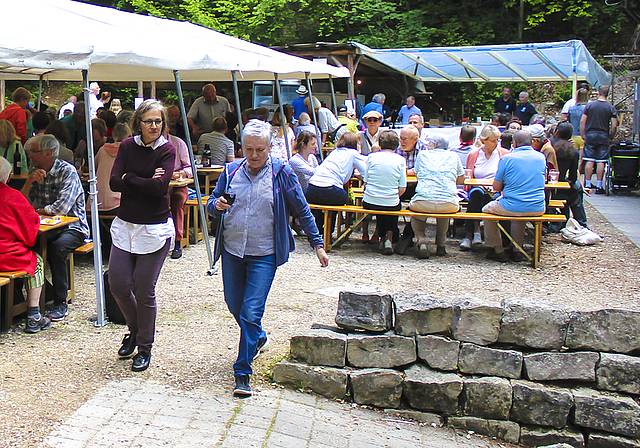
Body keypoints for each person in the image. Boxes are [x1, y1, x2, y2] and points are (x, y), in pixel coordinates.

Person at [207, 119, 328, 396]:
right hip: (233, 250)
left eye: (260, 149)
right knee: (234, 304)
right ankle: (259, 337)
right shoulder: (231, 170)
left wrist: (317, 244)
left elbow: (301, 208)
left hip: (264, 253)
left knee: (251, 311)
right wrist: (217, 204)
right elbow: (211, 204)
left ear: (270, 147)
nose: (254, 155)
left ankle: (242, 371)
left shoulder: (281, 172)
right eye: (248, 149)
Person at [108, 99, 176, 372]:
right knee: (118, 284)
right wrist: (144, 179)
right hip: (126, 225)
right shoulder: (126, 146)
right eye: (149, 121)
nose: (154, 126)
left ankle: (144, 346)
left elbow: (160, 188)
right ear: (138, 122)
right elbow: (114, 181)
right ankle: (135, 331)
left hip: (154, 228)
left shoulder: (167, 149)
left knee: (143, 289)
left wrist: (131, 178)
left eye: (158, 121)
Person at [21, 134, 90, 321]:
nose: (30, 156)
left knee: (57, 250)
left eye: (33, 152)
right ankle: (39, 294)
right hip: (44, 227)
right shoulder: (35, 171)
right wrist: (28, 183)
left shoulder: (67, 171)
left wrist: (38, 210)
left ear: (48, 153)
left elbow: (61, 209)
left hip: (73, 227)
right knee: (22, 248)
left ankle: (61, 302)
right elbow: (21, 205)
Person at [0, 157, 51, 333]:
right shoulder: (13, 196)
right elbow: (30, 234)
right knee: (37, 264)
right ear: (9, 177)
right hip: (7, 255)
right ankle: (34, 316)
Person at [482, 130, 546, 262]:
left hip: (513, 204)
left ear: (514, 143)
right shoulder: (541, 157)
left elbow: (496, 187)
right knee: (519, 215)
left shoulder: (507, 158)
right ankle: (517, 248)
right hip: (538, 205)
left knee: (486, 211)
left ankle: (497, 249)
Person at [409, 136, 464, 259]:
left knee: (416, 213)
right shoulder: (454, 156)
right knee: (444, 208)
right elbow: (461, 178)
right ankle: (441, 245)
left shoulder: (422, 155)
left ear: (433, 144)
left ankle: (422, 240)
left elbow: (417, 173)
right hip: (448, 203)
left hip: (423, 200)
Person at [459, 125, 509, 250]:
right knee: (476, 194)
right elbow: (469, 175)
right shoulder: (474, 154)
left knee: (494, 198)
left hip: (496, 189)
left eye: (497, 140)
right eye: (493, 141)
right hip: (478, 187)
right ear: (483, 140)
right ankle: (474, 231)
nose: (496, 143)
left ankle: (473, 234)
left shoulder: (504, 153)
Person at [306, 132, 367, 235]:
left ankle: (319, 231)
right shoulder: (353, 153)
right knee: (341, 197)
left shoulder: (334, 152)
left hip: (312, 189)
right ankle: (329, 232)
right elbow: (365, 172)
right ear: (355, 144)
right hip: (331, 190)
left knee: (322, 204)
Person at [362, 131, 407, 255]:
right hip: (390, 201)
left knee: (381, 206)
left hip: (369, 201)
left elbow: (366, 182)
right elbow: (402, 188)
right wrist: (392, 196)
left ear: (380, 144)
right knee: (391, 206)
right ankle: (388, 238)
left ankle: (383, 238)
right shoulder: (401, 160)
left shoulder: (371, 157)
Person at [581, 84, 618, 194]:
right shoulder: (610, 107)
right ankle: (599, 185)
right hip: (603, 135)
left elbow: (583, 121)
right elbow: (614, 125)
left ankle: (587, 183)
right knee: (601, 160)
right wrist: (610, 136)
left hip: (591, 134)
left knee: (589, 159)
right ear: (609, 93)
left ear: (598, 92)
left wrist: (583, 134)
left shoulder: (590, 105)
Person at [552, 121, 588, 228]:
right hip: (562, 184)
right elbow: (573, 176)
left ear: (556, 131)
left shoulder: (549, 145)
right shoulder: (573, 151)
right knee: (576, 190)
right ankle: (581, 222)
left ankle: (563, 218)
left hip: (547, 187)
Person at [95, 123, 131, 216]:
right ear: (129, 136)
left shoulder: (102, 150)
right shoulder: (128, 151)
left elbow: (95, 168)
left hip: (96, 203)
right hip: (118, 204)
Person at [167, 131, 193, 260]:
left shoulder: (178, 143)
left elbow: (190, 168)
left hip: (179, 185)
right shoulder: (150, 145)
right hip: (159, 186)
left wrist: (180, 174)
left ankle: (177, 242)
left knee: (176, 201)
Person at [566, 87, 589, 157]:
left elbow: (569, 120)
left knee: (574, 157)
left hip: (573, 135)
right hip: (584, 135)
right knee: (582, 158)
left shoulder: (572, 108)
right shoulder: (587, 108)